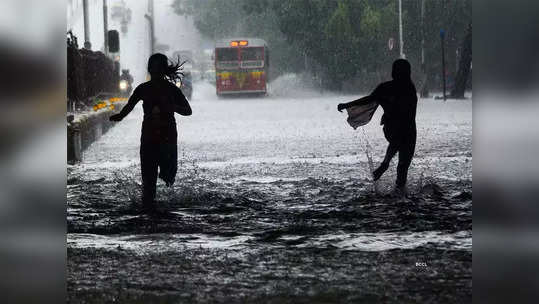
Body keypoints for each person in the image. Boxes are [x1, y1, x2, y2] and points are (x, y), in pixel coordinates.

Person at [110, 53, 192, 208]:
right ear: (150, 70)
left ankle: (151, 205)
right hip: (151, 137)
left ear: (162, 70)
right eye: (153, 68)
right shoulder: (143, 89)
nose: (154, 71)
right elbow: (129, 106)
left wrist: (172, 107)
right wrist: (120, 116)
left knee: (168, 176)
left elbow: (188, 110)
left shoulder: (171, 90)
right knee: (149, 181)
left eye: (157, 68)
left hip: (165, 136)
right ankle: (150, 208)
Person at [338, 59, 417, 193]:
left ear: (393, 72)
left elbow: (368, 99)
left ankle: (386, 165)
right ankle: (399, 194)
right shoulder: (409, 88)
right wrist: (347, 105)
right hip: (406, 131)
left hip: (395, 128)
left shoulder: (386, 88)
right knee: (402, 167)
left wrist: (347, 105)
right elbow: (368, 99)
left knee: (400, 149)